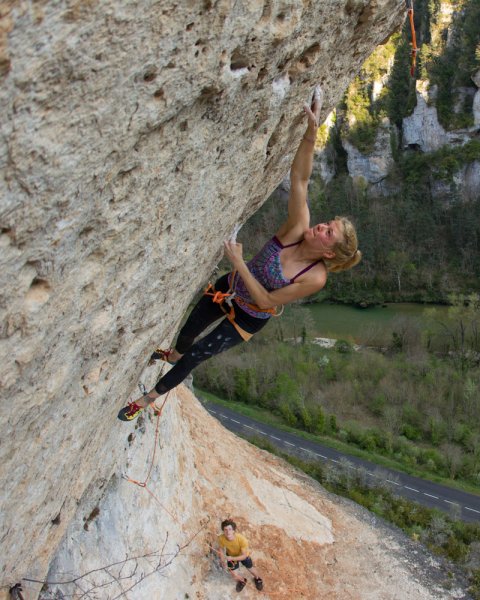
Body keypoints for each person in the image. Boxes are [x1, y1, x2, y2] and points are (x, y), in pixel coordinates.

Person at [118, 86, 361, 421]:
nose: (320, 226)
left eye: (327, 232)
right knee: (188, 334)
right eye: (326, 223)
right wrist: (311, 132)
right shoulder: (297, 226)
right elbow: (300, 179)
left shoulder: (314, 277)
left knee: (198, 354)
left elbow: (266, 302)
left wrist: (238, 263)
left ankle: (144, 401)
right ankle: (172, 354)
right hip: (229, 285)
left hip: (248, 316)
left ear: (330, 253)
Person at [215, 519, 263, 592]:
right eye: (225, 530)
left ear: (233, 530)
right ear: (223, 531)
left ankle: (257, 578)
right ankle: (242, 580)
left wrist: (232, 558)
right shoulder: (221, 538)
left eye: (230, 529)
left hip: (243, 556)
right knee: (234, 575)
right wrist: (222, 560)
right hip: (231, 556)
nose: (228, 532)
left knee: (251, 569)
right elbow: (221, 549)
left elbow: (244, 556)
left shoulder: (242, 539)